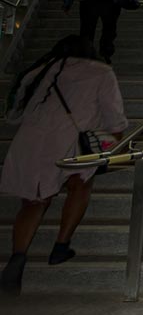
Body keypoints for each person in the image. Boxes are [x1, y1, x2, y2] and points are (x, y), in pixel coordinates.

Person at [1, 36, 126, 295]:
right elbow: (113, 115)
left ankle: (18, 257)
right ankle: (61, 244)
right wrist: (114, 141)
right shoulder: (101, 72)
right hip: (72, 140)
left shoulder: (41, 69)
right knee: (80, 183)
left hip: (31, 139)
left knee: (34, 201)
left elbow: (15, 111)